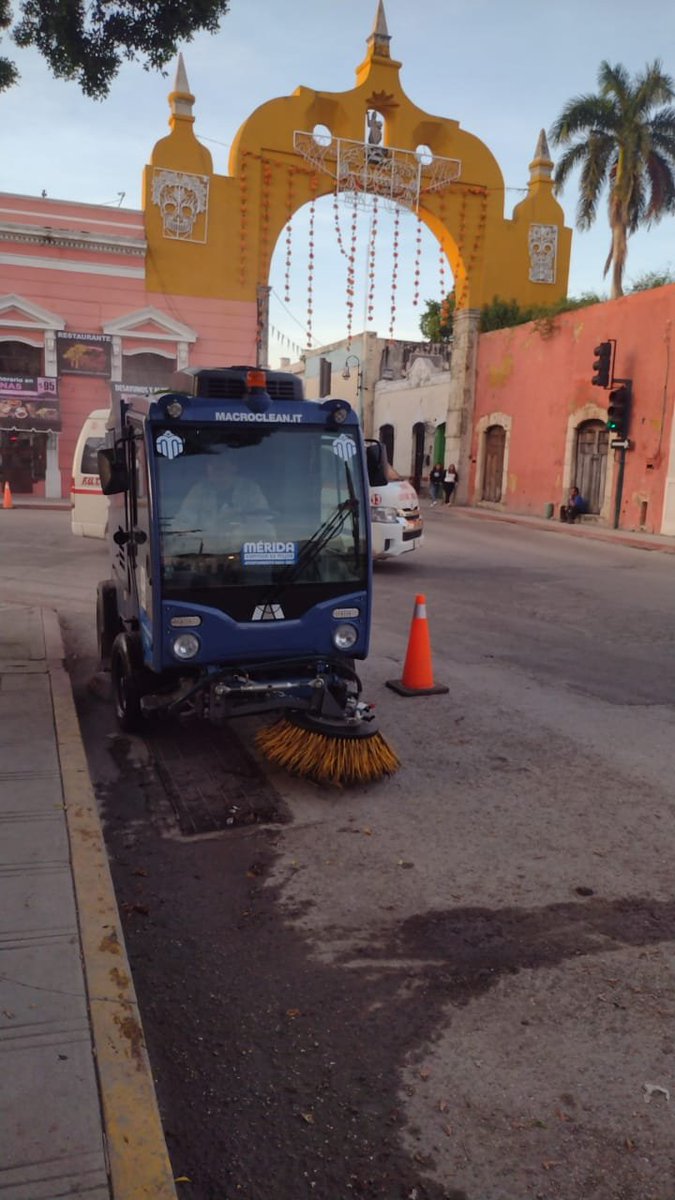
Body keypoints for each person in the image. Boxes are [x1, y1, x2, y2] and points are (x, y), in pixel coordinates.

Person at [172, 454, 270, 543]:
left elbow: (262, 520)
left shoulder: (250, 489)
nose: (217, 471)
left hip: (243, 548)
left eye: (221, 467)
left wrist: (239, 522)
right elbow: (183, 522)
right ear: (207, 469)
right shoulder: (199, 491)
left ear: (233, 467)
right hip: (207, 550)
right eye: (213, 467)